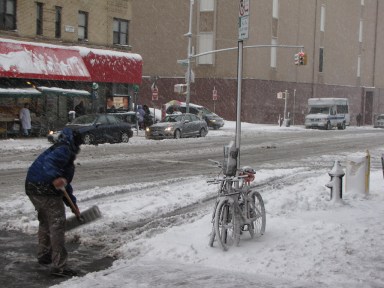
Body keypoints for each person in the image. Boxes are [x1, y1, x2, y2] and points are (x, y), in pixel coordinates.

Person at [25, 128, 83, 277]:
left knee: (45, 221)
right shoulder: (64, 150)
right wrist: (55, 178)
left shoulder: (61, 149)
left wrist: (73, 205)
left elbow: (65, 186)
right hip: (44, 188)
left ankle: (44, 255)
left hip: (32, 187)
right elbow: (50, 166)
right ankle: (60, 267)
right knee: (57, 224)